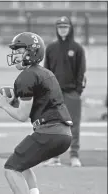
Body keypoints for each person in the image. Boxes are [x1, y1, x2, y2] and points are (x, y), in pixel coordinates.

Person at [0, 32, 72, 194]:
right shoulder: (46, 73)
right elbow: (42, 100)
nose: (15, 55)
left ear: (32, 52)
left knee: (11, 168)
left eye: (19, 51)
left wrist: (4, 104)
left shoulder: (26, 77)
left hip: (49, 132)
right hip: (64, 134)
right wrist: (16, 98)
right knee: (22, 165)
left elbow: (22, 116)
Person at [44, 16, 86, 167]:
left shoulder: (77, 48)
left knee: (73, 125)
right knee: (55, 125)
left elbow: (81, 72)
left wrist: (78, 91)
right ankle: (55, 157)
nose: (63, 29)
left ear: (70, 28)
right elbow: (46, 72)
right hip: (54, 94)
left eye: (65, 27)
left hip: (72, 93)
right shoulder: (51, 48)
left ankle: (74, 156)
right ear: (57, 29)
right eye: (60, 27)